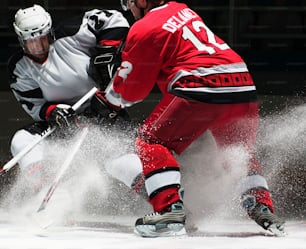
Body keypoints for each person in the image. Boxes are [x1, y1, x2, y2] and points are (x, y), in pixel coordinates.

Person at [100, 0, 285, 237]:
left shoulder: (144, 27)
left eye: (131, 2)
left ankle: (169, 211)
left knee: (150, 141)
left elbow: (132, 90)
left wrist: (110, 96)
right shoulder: (181, 7)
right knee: (236, 152)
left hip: (201, 86)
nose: (129, 8)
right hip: (242, 83)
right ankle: (261, 205)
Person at [7, 4, 134, 195]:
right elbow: (36, 106)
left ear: (49, 32)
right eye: (31, 42)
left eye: (43, 38)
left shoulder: (70, 35)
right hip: (65, 124)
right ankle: (49, 195)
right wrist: (54, 112)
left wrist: (107, 53)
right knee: (21, 140)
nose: (39, 46)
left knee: (121, 161)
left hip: (105, 112)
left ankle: (166, 202)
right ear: (21, 40)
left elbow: (115, 19)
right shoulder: (20, 68)